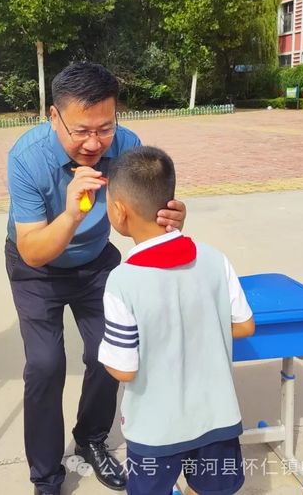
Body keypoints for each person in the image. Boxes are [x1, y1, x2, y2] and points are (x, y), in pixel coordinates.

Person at [5, 62, 186, 495]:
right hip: (37, 269)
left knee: (113, 350)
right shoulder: (26, 159)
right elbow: (33, 250)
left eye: (104, 128)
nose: (93, 143)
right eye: (81, 131)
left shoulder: (127, 147)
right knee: (45, 365)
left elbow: (139, 221)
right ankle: (46, 475)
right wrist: (71, 213)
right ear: (54, 116)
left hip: (96, 261)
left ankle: (90, 436)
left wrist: (170, 222)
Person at [98, 146, 255, 495]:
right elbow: (244, 325)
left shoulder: (122, 281)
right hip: (217, 418)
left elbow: (124, 369)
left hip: (156, 429)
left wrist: (105, 349)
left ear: (119, 211)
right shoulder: (215, 258)